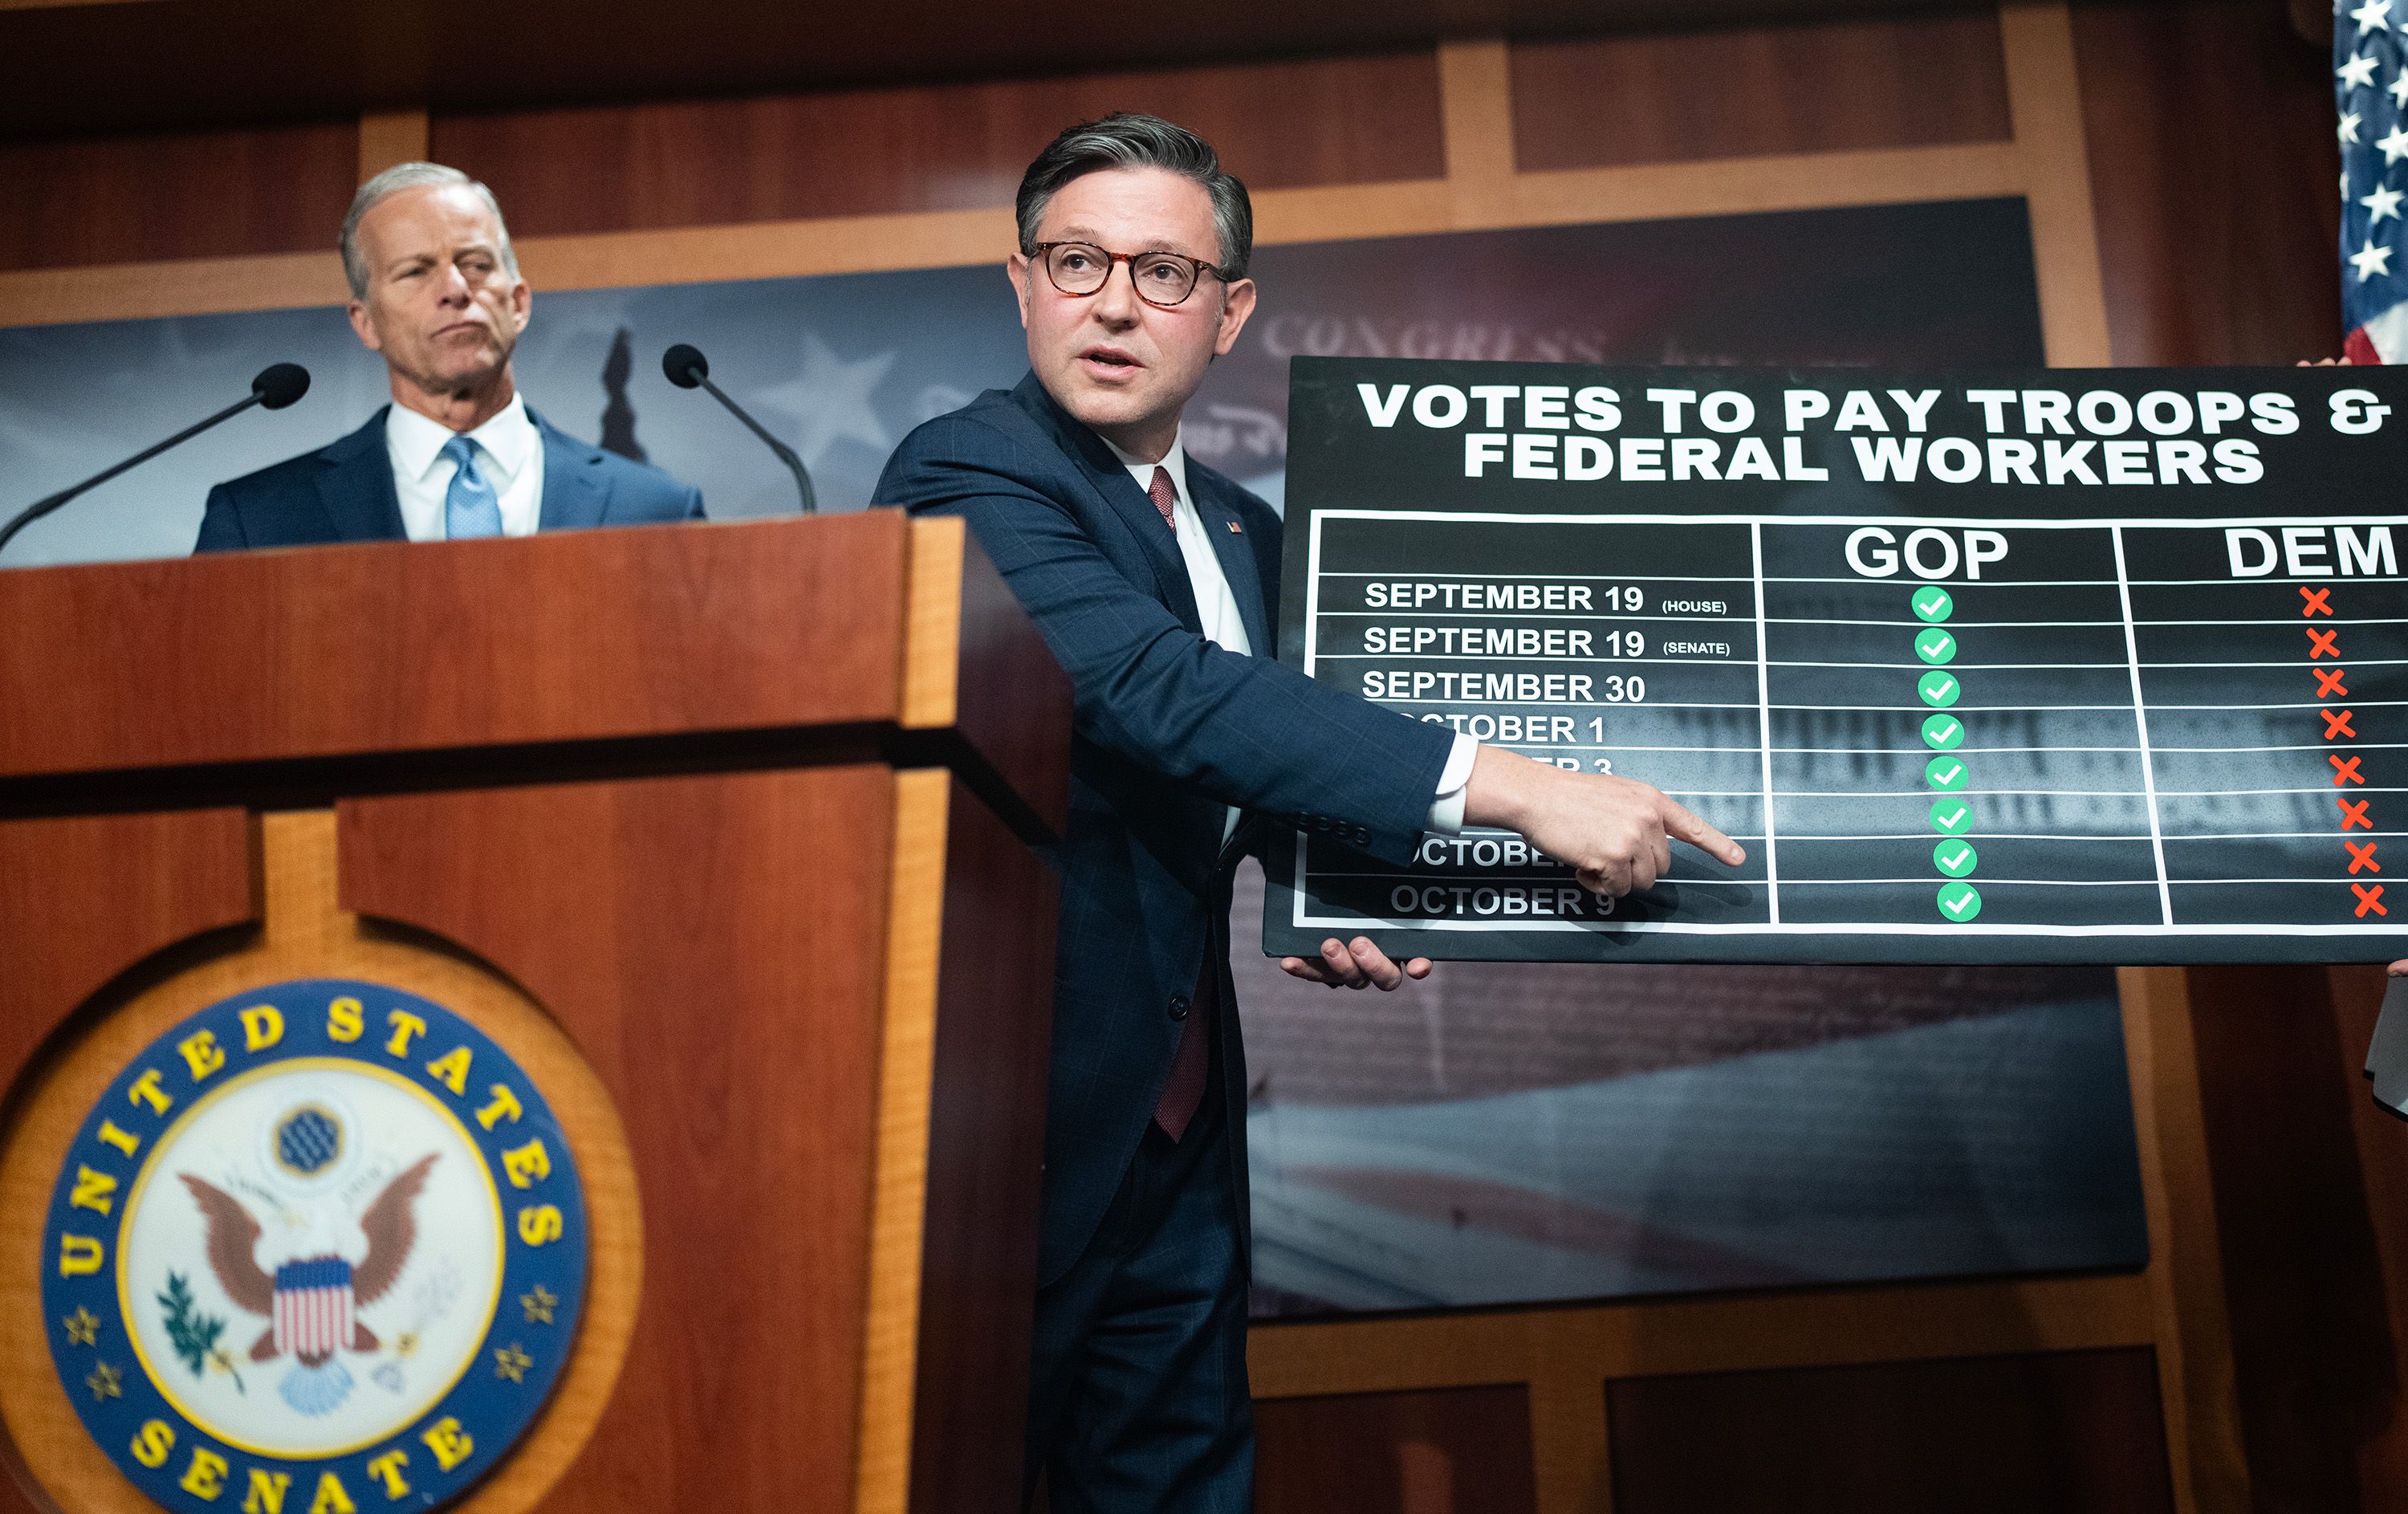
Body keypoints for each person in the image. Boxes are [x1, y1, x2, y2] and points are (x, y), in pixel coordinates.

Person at [873, 113, 1742, 1510]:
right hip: (1003, 1146)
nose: (1112, 300)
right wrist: (1524, 789)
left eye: (1163, 273)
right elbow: (1154, 694)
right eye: (1077, 259)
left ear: (1231, 313)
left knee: (1181, 1485)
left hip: (1182, 1139)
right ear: (1021, 283)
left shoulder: (1244, 528)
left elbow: (1256, 764)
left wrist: (1322, 888)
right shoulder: (971, 472)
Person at [193, 162, 701, 551]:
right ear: (365, 322)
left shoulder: (656, 511)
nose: (455, 289)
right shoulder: (259, 522)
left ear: (519, 302)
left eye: (476, 264)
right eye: (415, 271)